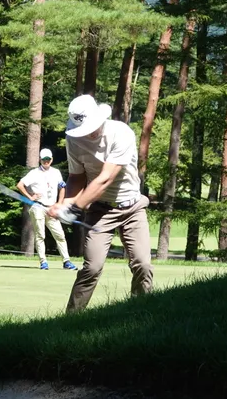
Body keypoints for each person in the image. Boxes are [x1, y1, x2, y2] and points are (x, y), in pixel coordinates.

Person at [49, 95, 153, 312]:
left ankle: (142, 313)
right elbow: (76, 177)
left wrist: (74, 207)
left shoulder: (121, 133)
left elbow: (106, 179)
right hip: (101, 210)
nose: (88, 133)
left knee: (142, 265)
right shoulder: (74, 140)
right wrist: (64, 203)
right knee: (92, 268)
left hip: (133, 208)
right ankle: (71, 319)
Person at [17, 148, 77, 271]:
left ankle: (66, 261)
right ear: (40, 159)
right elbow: (20, 185)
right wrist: (30, 197)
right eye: (44, 159)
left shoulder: (56, 172)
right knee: (40, 235)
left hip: (52, 208)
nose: (46, 161)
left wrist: (59, 204)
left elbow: (62, 187)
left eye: (48, 159)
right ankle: (43, 262)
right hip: (38, 206)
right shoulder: (34, 173)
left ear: (51, 159)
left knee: (60, 235)